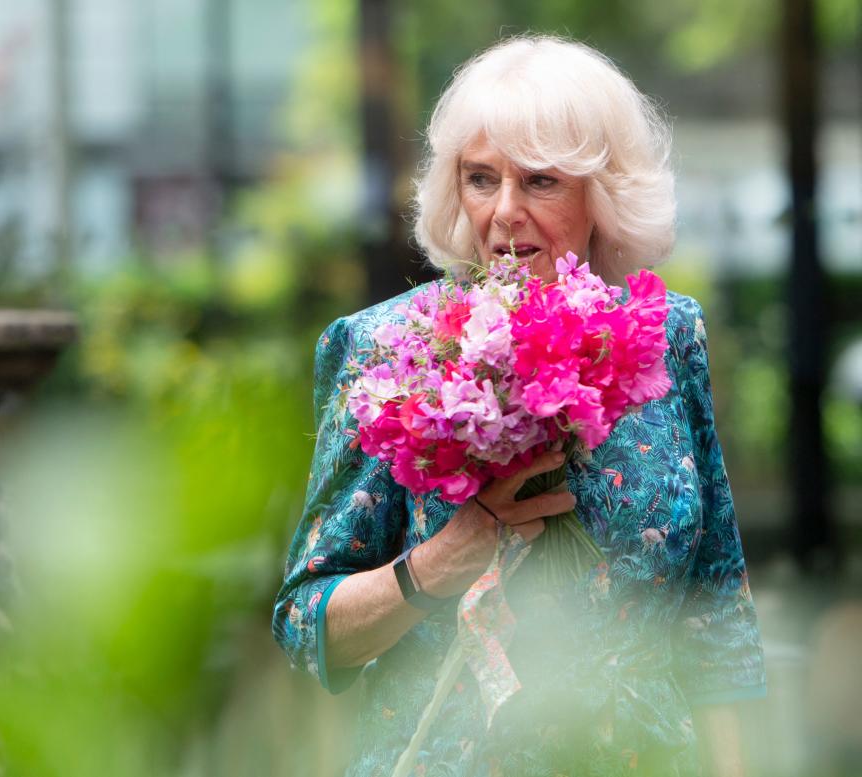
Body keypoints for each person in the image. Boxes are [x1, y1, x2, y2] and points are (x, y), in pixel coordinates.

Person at [273, 35, 766, 777]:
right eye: (480, 178)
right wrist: (436, 564)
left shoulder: (664, 335)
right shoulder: (386, 350)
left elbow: (715, 601)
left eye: (540, 181)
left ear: (602, 195)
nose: (504, 211)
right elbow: (306, 622)